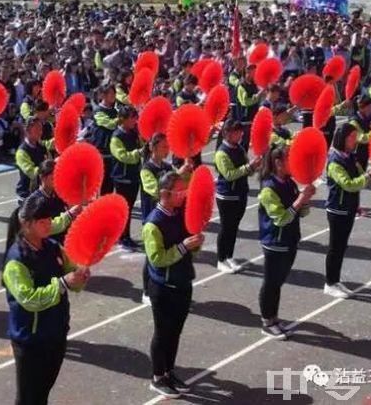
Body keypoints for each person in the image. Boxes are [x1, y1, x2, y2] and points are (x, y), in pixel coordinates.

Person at [3, 194, 90, 405]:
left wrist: (81, 275)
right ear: (26, 223)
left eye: (49, 220)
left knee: (43, 392)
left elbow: (72, 277)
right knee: (28, 398)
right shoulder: (16, 260)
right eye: (42, 222)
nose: (47, 225)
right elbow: (29, 299)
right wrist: (62, 284)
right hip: (30, 340)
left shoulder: (53, 247)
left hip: (56, 332)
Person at [142, 172, 203, 398]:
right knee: (163, 333)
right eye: (179, 192)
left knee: (175, 332)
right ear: (165, 194)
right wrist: (184, 247)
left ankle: (169, 371)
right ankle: (157, 377)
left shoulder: (180, 213)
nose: (183, 195)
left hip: (183, 281)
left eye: (184, 191)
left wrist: (196, 243)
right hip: (163, 287)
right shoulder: (152, 224)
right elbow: (157, 258)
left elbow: (190, 244)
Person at [257, 145, 315, 339]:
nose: (295, 162)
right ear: (278, 163)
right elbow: (280, 218)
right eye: (290, 158)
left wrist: (306, 200)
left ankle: (274, 318)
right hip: (274, 242)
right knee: (271, 283)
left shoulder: (290, 182)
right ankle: (267, 321)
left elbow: (303, 213)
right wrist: (300, 201)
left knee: (279, 282)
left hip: (290, 239)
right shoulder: (268, 189)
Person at [324, 123, 371, 298]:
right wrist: (370, 175)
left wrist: (356, 204)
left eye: (355, 136)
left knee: (341, 247)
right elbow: (348, 185)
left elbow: (359, 177)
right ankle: (330, 283)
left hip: (348, 208)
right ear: (342, 139)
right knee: (335, 247)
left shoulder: (350, 156)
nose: (354, 140)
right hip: (337, 209)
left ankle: (336, 280)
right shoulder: (334, 161)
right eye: (351, 137)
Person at [214, 119, 261, 273]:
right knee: (226, 228)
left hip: (240, 193)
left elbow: (247, 169)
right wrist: (249, 167)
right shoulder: (221, 153)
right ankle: (221, 259)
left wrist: (254, 167)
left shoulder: (239, 148)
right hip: (227, 196)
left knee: (234, 228)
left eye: (240, 131)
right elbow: (229, 175)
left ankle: (229, 256)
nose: (240, 134)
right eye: (236, 131)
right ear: (226, 133)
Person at [110, 105, 142, 251]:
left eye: (135, 117)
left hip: (134, 175)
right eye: (132, 117)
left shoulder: (134, 132)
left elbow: (141, 145)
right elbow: (122, 156)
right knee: (123, 209)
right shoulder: (116, 137)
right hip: (122, 178)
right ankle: (121, 237)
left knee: (128, 208)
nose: (135, 120)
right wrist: (138, 153)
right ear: (123, 120)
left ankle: (126, 236)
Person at [28, 160, 81, 241]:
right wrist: (69, 215)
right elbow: (47, 228)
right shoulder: (37, 201)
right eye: (53, 178)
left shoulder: (57, 194)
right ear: (42, 177)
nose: (56, 180)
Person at [91, 84, 118, 195]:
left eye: (114, 93)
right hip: (102, 152)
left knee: (111, 183)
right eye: (110, 93)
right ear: (103, 95)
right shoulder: (98, 111)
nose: (113, 96)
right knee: (103, 183)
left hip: (113, 151)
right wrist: (121, 119)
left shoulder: (115, 111)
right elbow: (110, 125)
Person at [15, 116, 49, 204]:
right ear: (27, 131)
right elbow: (32, 173)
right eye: (37, 129)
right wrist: (48, 167)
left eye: (41, 129)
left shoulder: (42, 147)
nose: (40, 132)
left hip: (41, 191)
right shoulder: (21, 152)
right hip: (26, 194)